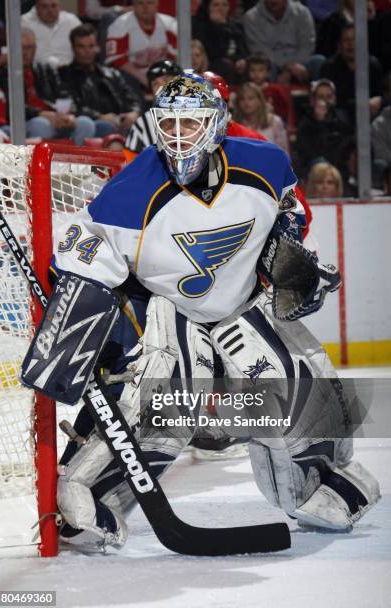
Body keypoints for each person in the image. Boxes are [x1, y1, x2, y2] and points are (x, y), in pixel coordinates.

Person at [27, 72, 379, 550]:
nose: (176, 137)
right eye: (167, 124)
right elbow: (79, 264)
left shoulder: (265, 163)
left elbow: (288, 215)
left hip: (244, 304)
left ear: (216, 125)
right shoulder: (128, 194)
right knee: (164, 406)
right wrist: (73, 339)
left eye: (189, 124)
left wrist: (298, 261)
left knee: (295, 389)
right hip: (174, 312)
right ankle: (89, 494)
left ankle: (324, 480)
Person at [0, 29, 95, 145]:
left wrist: (66, 114)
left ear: (35, 48)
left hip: (55, 117)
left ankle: (77, 161)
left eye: (29, 47)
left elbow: (64, 93)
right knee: (41, 125)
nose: (25, 52)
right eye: (22, 48)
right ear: (11, 49)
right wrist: (40, 113)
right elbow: (10, 107)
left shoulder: (45, 69)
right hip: (26, 121)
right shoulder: (2, 73)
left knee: (86, 123)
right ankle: (38, 162)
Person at [59, 24, 143, 139]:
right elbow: (72, 107)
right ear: (73, 49)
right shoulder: (64, 74)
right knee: (106, 127)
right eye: (81, 47)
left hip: (119, 121)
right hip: (91, 123)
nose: (87, 51)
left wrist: (134, 113)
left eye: (91, 46)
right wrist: (99, 116)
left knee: (142, 125)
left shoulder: (112, 73)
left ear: (97, 47)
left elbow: (132, 98)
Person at [105, 0, 177, 91]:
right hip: (132, 76)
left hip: (164, 74)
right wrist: (143, 78)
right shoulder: (120, 25)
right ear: (133, 5)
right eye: (140, 3)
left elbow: (176, 55)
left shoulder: (170, 24)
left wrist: (164, 77)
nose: (145, 7)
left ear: (157, 4)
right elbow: (116, 60)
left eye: (149, 3)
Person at [320, 24, 383, 123]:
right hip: (342, 116)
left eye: (354, 39)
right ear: (339, 45)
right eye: (346, 40)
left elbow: (380, 94)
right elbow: (331, 100)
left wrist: (378, 101)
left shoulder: (373, 65)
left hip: (371, 114)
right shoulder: (329, 67)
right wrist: (360, 104)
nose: (350, 44)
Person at [243, 0, 318, 82]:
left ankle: (319, 93)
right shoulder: (251, 16)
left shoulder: (302, 12)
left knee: (318, 61)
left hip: (300, 62)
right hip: (272, 62)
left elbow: (307, 45)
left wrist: (294, 66)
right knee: (264, 65)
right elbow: (260, 50)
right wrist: (287, 66)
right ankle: (271, 92)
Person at [125, 59, 181, 154]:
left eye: (167, 80)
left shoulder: (201, 115)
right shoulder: (143, 123)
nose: (162, 87)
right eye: (155, 84)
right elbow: (130, 162)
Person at [192, 0, 248, 84]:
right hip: (212, 65)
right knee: (225, 66)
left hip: (234, 65)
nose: (220, 9)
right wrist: (218, 26)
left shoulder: (236, 26)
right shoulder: (200, 26)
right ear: (208, 8)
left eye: (224, 5)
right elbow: (213, 52)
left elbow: (243, 50)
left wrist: (241, 60)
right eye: (215, 5)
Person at [21, 0, 81, 67]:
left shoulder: (72, 22)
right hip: (36, 73)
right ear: (36, 7)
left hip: (69, 72)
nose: (50, 11)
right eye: (44, 6)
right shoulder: (23, 22)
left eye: (54, 6)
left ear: (60, 6)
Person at [233, 82, 289, 153]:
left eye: (251, 98)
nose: (246, 102)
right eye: (242, 99)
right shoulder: (235, 126)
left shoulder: (274, 122)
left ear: (259, 101)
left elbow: (284, 153)